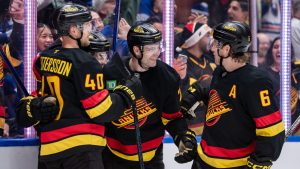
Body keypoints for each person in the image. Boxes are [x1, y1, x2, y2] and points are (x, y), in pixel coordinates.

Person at [16, 3, 142, 169]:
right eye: (88, 25)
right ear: (74, 31)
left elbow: (40, 85)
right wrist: (126, 95)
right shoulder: (86, 62)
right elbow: (100, 110)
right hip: (81, 148)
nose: (91, 30)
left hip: (49, 150)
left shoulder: (44, 58)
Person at [185, 21, 285, 169]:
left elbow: (272, 127)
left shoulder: (256, 82)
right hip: (203, 161)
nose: (212, 48)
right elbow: (221, 96)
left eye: (216, 44)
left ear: (226, 49)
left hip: (235, 164)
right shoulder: (220, 71)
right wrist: (193, 96)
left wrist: (262, 158)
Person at [101, 23, 197, 169]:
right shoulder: (111, 72)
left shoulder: (167, 76)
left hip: (152, 159)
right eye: (151, 48)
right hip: (113, 158)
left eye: (158, 46)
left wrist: (182, 138)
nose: (157, 53)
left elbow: (172, 117)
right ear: (136, 50)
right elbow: (101, 113)